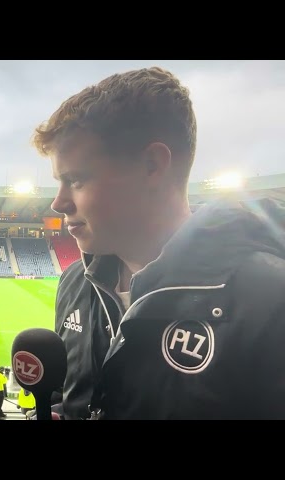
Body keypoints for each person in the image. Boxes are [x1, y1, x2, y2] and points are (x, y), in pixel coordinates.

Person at [31, 66, 285, 420]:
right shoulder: (74, 283)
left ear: (152, 165)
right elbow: (74, 396)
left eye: (75, 180)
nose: (58, 204)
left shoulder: (269, 299)